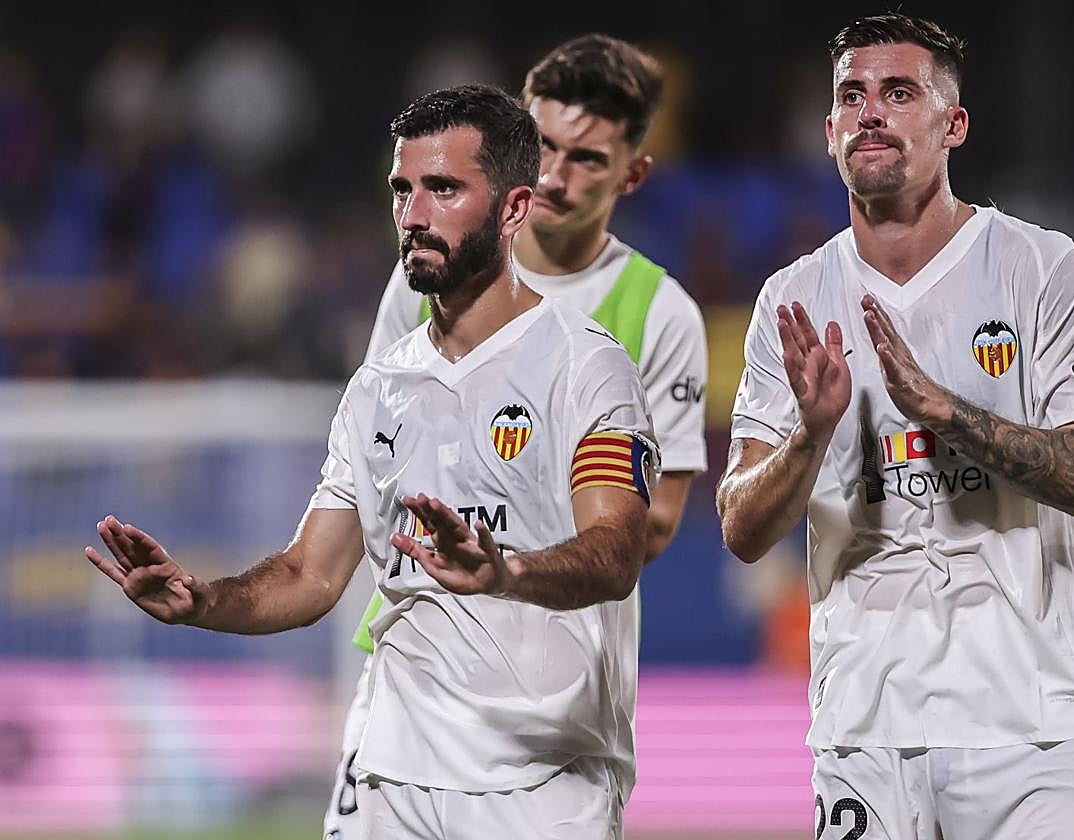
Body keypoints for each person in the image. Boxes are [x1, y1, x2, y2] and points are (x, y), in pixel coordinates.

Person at [85, 84, 658, 840]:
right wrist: (202, 601)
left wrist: (505, 573)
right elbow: (310, 574)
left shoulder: (587, 367)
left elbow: (617, 551)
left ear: (515, 208)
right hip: (394, 783)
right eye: (403, 190)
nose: (414, 214)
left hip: (545, 785)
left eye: (444, 188)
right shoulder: (379, 386)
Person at [716, 13, 1074, 840]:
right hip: (867, 730)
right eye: (851, 96)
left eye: (898, 93)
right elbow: (741, 528)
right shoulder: (790, 299)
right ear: (830, 131)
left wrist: (946, 412)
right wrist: (811, 434)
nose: (870, 112)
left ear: (954, 123)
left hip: (1037, 728)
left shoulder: (1039, 267)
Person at [324, 34, 708, 839]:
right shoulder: (422, 271)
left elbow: (655, 522)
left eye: (588, 158)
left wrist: (513, 558)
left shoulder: (653, 311)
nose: (558, 175)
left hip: (545, 664)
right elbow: (382, 434)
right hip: (412, 655)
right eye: (544, 147)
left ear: (631, 174)